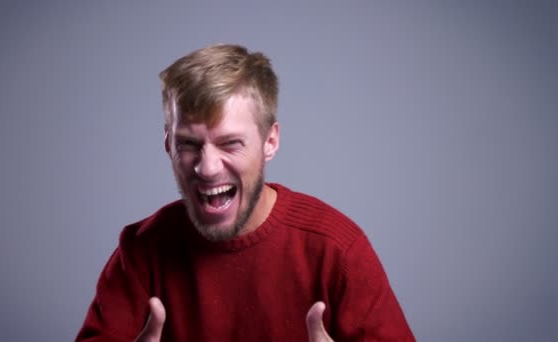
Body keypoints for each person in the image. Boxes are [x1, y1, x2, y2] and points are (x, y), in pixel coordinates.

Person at [76, 44, 414, 341]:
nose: (206, 167)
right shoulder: (141, 251)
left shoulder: (337, 249)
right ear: (168, 144)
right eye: (189, 144)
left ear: (270, 141)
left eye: (230, 143)